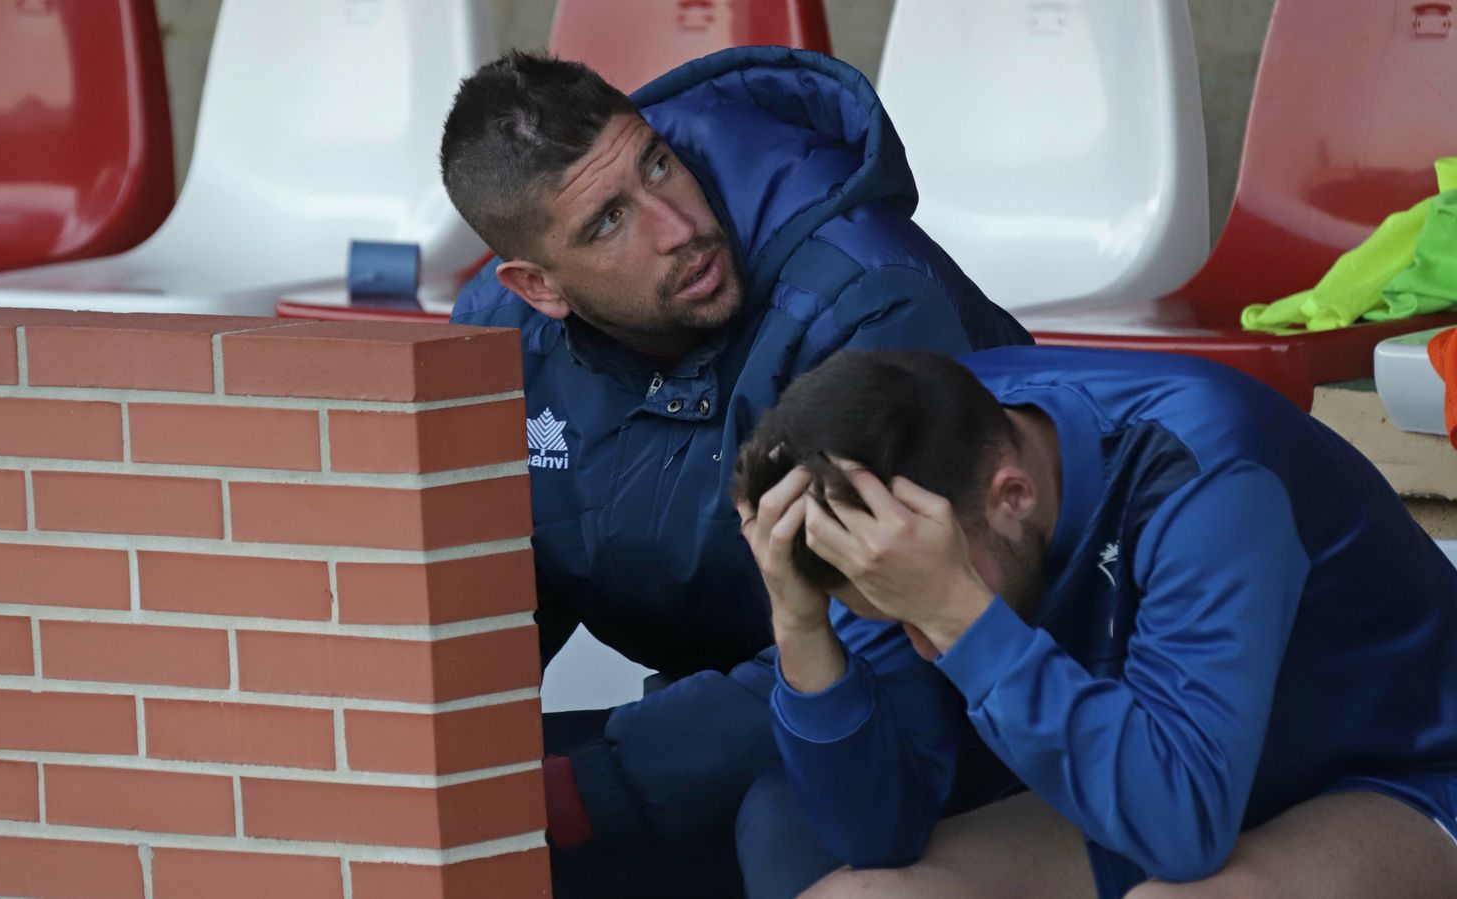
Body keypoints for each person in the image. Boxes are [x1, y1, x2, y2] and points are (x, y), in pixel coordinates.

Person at [439, 48, 1029, 894]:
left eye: (659, 164)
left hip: (963, 699)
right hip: (737, 705)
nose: (677, 226)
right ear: (538, 286)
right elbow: (488, 606)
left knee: (784, 828)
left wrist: (594, 786)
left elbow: (882, 636)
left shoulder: (869, 297)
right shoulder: (500, 344)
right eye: (608, 221)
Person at [732, 346, 1457, 898]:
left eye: (929, 604)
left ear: (1012, 494)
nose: (923, 646)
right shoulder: (899, 509)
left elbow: (1185, 830)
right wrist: (801, 629)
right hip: (1152, 768)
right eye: (897, 614)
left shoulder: (1201, 471)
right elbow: (880, 834)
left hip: (1396, 773)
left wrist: (959, 615)